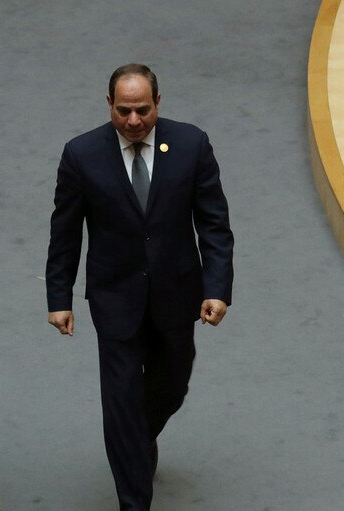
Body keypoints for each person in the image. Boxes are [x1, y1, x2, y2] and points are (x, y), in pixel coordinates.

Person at [46, 63, 234, 510]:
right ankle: (134, 500)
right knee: (121, 402)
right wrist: (59, 297)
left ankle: (135, 439)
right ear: (109, 104)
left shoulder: (191, 145)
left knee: (172, 387)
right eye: (124, 110)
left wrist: (217, 287)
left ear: (158, 103)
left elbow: (213, 224)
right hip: (115, 299)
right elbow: (65, 232)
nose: (134, 121)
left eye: (143, 110)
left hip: (177, 296)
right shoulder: (81, 154)